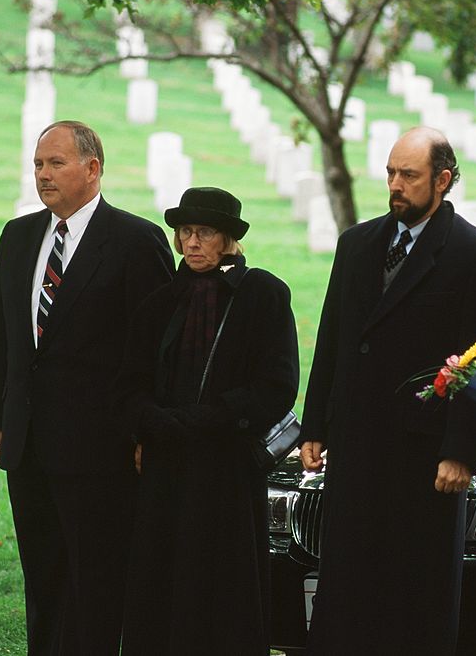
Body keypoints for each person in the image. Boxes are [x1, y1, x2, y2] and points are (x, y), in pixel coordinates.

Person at [299, 126, 476, 655]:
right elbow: (334, 338)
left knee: (413, 600)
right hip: (357, 448)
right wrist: (315, 425)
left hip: (425, 460)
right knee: (348, 595)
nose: (395, 185)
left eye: (408, 175)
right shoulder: (357, 244)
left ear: (442, 180)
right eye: (391, 173)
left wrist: (462, 451)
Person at [0, 120, 175, 654]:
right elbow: (2, 331)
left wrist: (144, 431)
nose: (43, 174)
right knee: (42, 580)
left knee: (96, 584)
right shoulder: (18, 236)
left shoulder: (136, 241)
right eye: (38, 164)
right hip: (27, 443)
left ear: (93, 168)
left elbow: (155, 349)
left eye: (55, 163)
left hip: (100, 449)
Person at [116, 187, 299, 654]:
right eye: (185, 232)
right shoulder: (159, 302)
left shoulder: (263, 294)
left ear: (228, 241)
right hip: (165, 465)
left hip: (227, 467)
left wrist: (211, 419)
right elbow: (130, 382)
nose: (192, 242)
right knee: (164, 578)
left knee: (224, 584)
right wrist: (152, 422)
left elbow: (277, 385)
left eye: (205, 232)